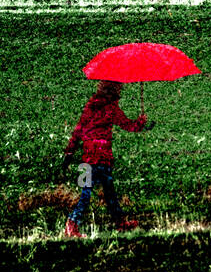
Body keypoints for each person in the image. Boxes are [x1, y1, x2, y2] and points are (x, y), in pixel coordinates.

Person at [61, 80, 154, 237]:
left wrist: (69, 153)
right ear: (115, 90)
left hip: (87, 158)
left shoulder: (90, 107)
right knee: (110, 194)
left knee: (86, 193)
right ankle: (119, 223)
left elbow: (78, 130)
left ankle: (73, 223)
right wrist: (141, 123)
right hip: (103, 159)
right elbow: (128, 125)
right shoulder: (112, 108)